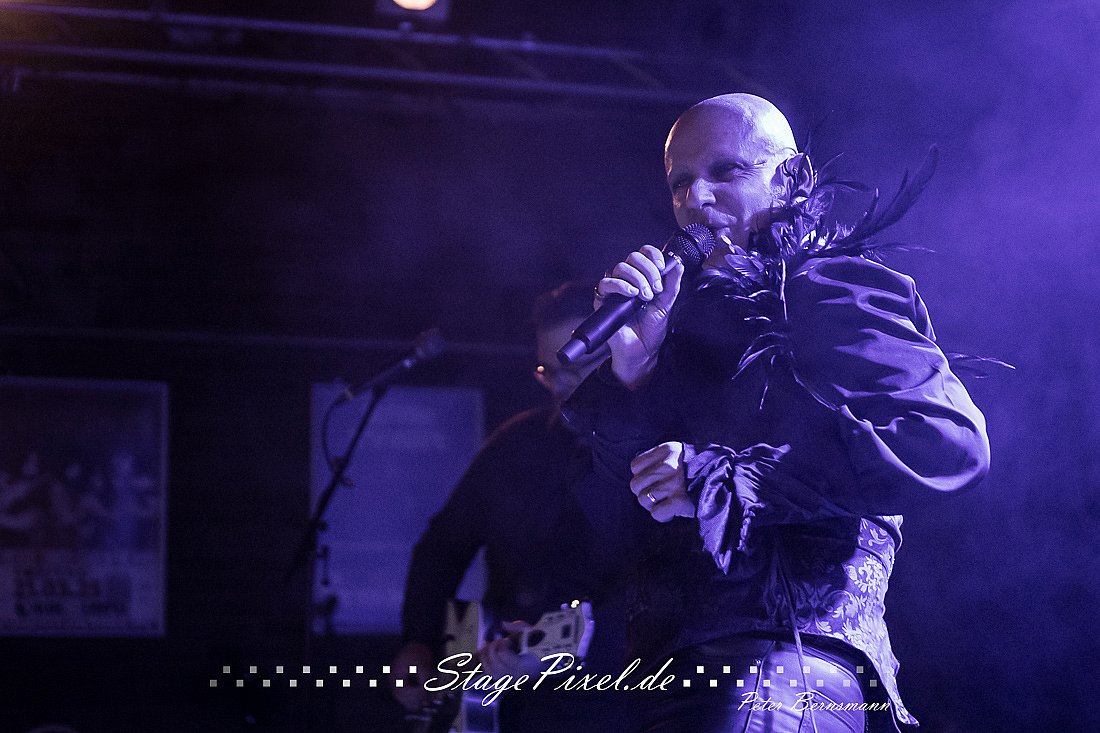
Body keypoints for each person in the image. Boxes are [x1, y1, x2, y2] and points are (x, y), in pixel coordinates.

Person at [563, 93, 990, 732]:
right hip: (675, 679)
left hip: (781, 672)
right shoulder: (681, 329)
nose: (695, 197)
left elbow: (943, 442)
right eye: (680, 183)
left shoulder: (827, 288)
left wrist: (724, 480)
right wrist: (633, 372)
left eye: (726, 171)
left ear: (791, 179)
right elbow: (607, 518)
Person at [391, 282, 629, 733]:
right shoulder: (515, 442)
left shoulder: (653, 453)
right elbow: (441, 547)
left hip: (614, 702)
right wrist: (418, 640)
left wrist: (588, 643)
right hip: (510, 705)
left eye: (576, 364)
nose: (560, 385)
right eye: (547, 370)